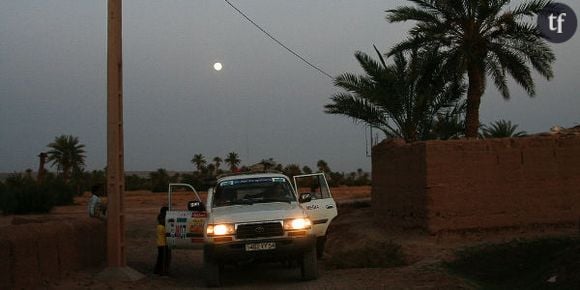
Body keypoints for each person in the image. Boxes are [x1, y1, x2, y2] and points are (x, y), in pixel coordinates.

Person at [154, 206, 171, 276]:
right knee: (163, 259)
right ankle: (162, 272)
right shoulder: (162, 227)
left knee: (160, 258)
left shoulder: (159, 226)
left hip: (161, 245)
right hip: (163, 245)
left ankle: (157, 271)